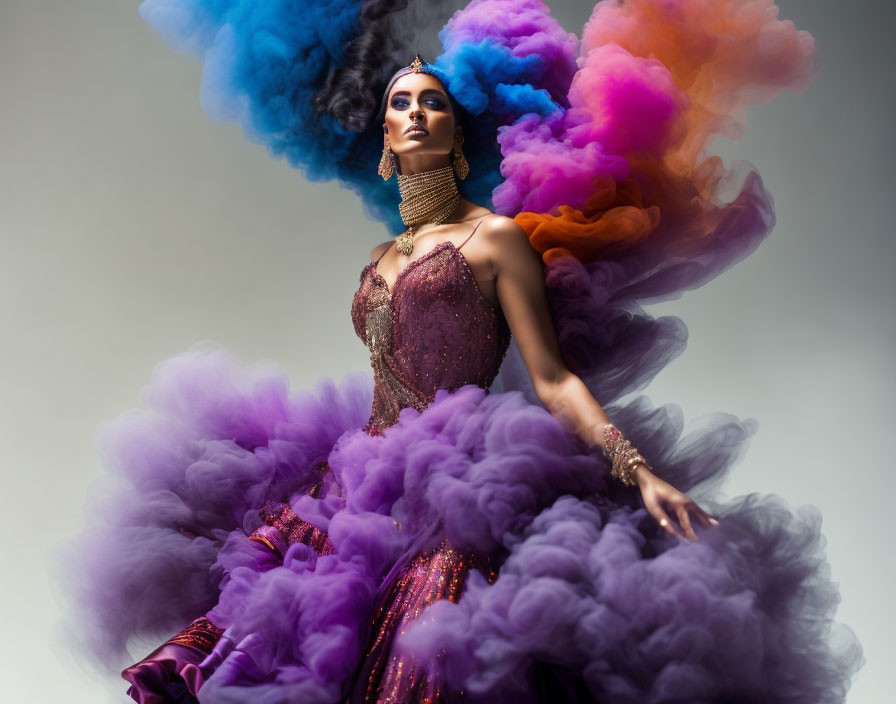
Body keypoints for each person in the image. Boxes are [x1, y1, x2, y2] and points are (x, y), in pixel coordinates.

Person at [63, 3, 862, 703]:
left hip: (456, 498)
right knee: (274, 650)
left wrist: (639, 472)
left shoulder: (494, 238)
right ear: (384, 132)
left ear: (455, 129)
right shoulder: (377, 259)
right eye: (399, 103)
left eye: (432, 104)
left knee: (425, 656)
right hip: (349, 491)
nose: (413, 113)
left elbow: (551, 377)